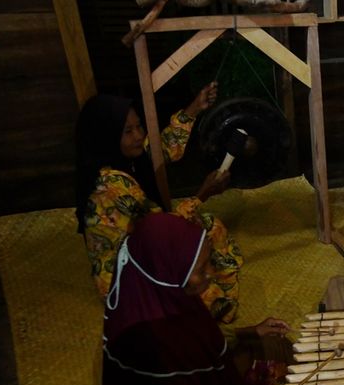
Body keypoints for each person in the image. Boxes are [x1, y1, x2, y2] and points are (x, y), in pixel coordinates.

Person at [102, 211, 307, 385]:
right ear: (168, 274)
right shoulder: (146, 340)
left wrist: (251, 332)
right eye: (201, 270)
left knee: (276, 348)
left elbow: (201, 337)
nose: (212, 273)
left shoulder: (162, 292)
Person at [75, 84, 243, 337]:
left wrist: (195, 108)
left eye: (138, 126)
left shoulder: (127, 156)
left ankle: (214, 288)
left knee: (209, 225)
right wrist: (202, 194)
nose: (137, 136)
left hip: (147, 243)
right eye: (128, 131)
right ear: (106, 135)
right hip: (128, 272)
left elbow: (161, 148)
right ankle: (212, 305)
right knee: (201, 290)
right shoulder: (110, 185)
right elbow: (158, 235)